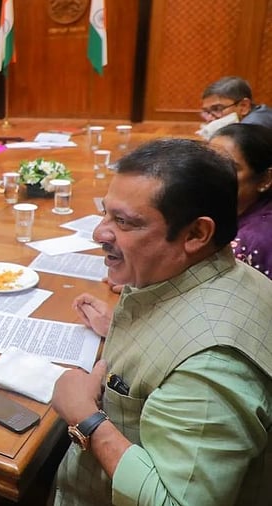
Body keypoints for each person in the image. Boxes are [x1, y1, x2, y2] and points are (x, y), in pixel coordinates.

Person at [52, 138, 272, 505]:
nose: (99, 233)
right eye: (106, 213)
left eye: (123, 222)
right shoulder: (220, 275)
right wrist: (125, 329)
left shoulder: (214, 366)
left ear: (196, 234)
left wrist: (85, 418)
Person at [209, 123, 272, 279]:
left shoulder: (256, 238)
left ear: (265, 179)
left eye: (229, 167)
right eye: (208, 162)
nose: (211, 173)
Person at [199, 76, 272, 137]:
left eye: (217, 109)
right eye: (207, 112)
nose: (209, 119)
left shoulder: (251, 129)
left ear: (244, 106)